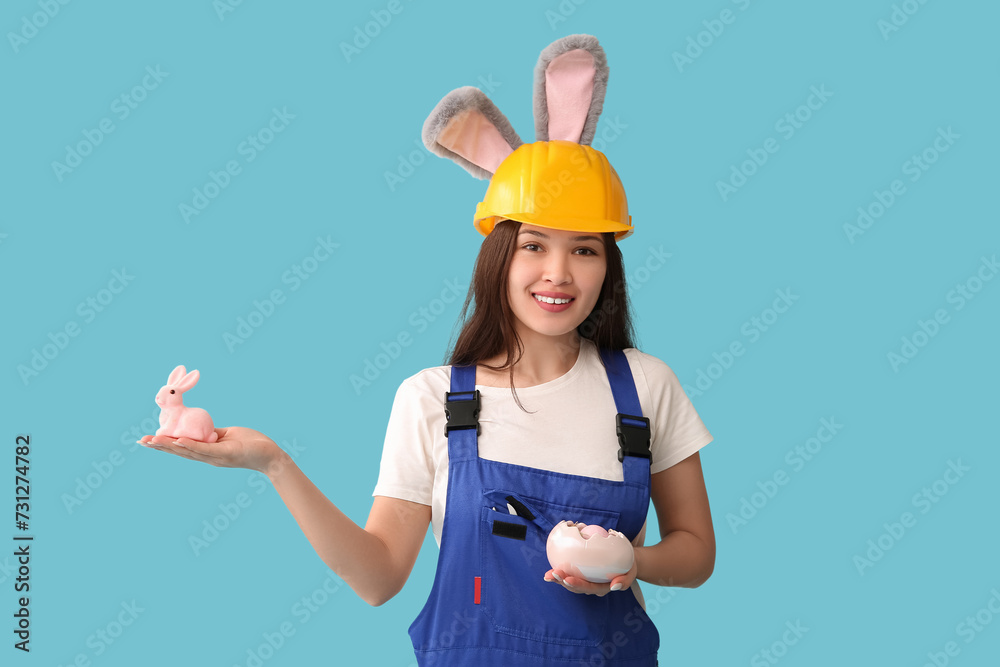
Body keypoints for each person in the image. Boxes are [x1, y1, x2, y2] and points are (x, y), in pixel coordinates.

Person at [140, 34, 715, 666]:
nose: (559, 273)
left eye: (585, 249)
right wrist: (273, 463)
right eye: (534, 245)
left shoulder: (645, 388)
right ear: (497, 256)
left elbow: (696, 553)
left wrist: (635, 560)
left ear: (609, 266)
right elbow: (379, 576)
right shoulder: (435, 400)